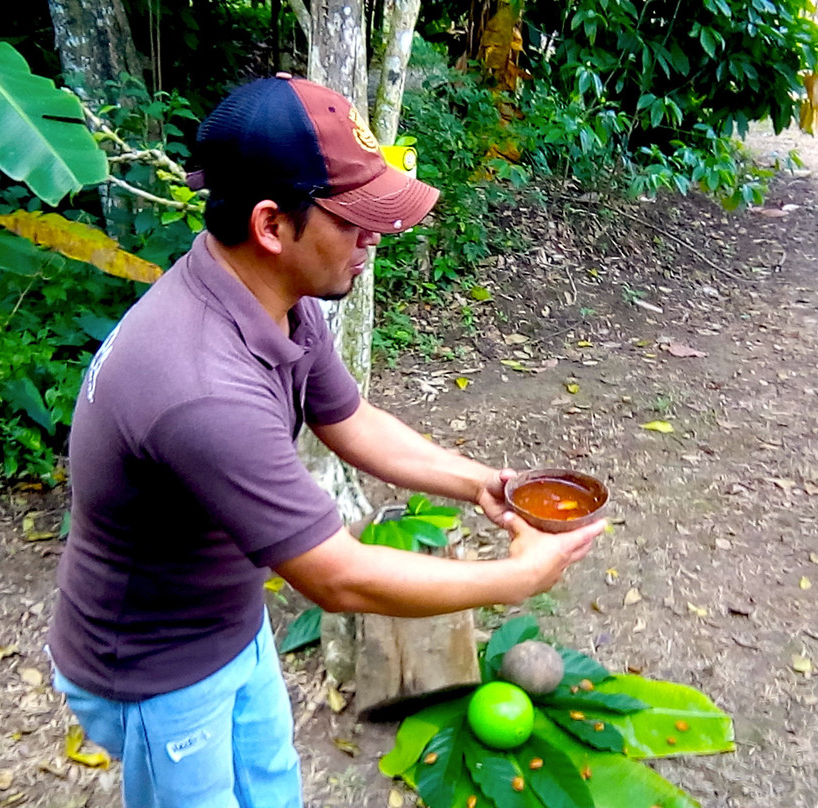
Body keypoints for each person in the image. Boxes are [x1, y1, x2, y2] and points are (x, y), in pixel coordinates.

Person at [47, 73, 604, 808]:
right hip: (156, 670)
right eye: (353, 218)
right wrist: (517, 579)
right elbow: (335, 577)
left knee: (272, 793)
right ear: (272, 225)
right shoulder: (202, 387)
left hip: (229, 625)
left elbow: (349, 420)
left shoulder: (271, 294)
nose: (374, 237)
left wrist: (478, 484)